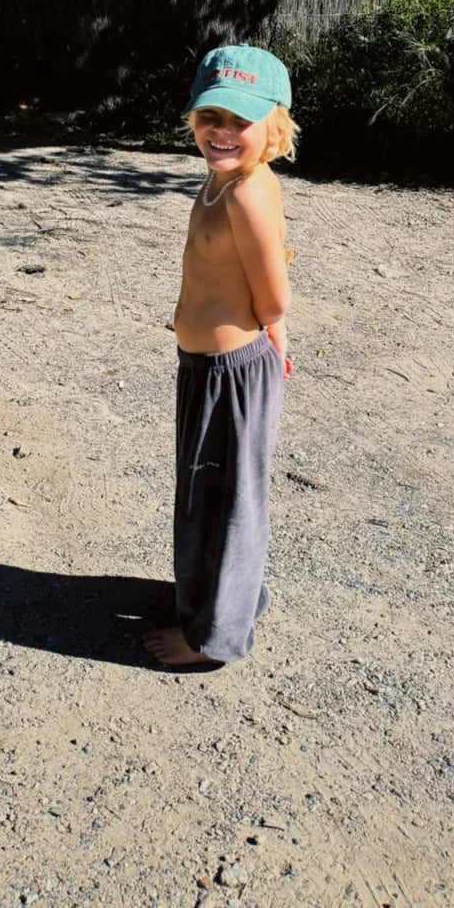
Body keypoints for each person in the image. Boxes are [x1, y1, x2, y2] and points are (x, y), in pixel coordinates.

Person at [143, 45, 299, 667]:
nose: (223, 131)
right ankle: (220, 601)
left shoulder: (245, 195)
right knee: (204, 495)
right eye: (211, 116)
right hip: (204, 369)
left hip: (230, 375)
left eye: (240, 121)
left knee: (227, 504)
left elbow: (275, 295)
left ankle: (215, 640)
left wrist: (273, 349)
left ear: (275, 129)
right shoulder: (223, 180)